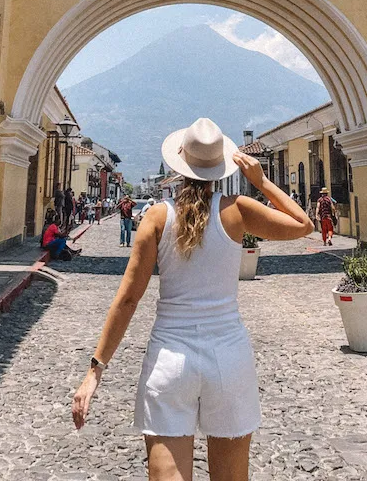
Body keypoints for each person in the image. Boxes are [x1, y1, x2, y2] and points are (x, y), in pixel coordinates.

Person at [72, 117, 313, 481]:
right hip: (228, 359)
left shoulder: (155, 216)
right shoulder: (238, 211)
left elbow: (128, 300)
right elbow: (303, 225)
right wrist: (261, 182)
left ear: (178, 164)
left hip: (169, 361)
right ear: (221, 169)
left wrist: (95, 371)